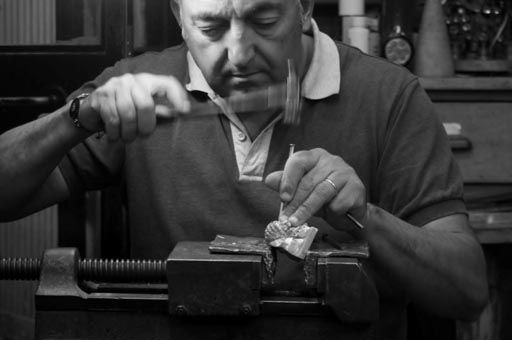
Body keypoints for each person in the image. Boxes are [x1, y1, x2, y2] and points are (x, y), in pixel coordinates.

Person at [0, 0, 487, 338]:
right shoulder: (137, 87)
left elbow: (466, 291)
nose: (238, 54)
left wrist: (365, 218)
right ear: (178, 16)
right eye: (210, 29)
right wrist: (74, 118)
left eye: (264, 20)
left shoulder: (388, 97)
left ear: (305, 7)